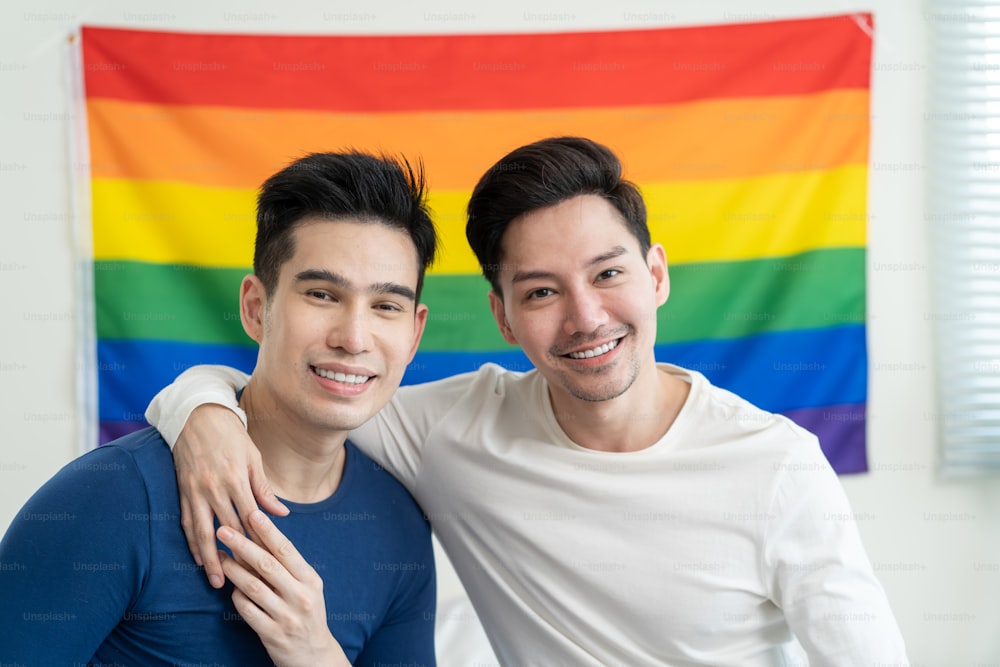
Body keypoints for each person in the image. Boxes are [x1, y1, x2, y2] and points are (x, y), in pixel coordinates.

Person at [148, 137, 909, 666]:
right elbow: (288, 399)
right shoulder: (452, 429)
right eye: (542, 291)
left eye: (608, 275)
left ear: (657, 276)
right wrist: (205, 415)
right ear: (504, 316)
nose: (584, 317)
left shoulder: (775, 465)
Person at [0, 151, 438, 666]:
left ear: (414, 333)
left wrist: (318, 655)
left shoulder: (397, 525)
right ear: (256, 308)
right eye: (321, 294)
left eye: (386, 306)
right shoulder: (109, 498)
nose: (354, 338)